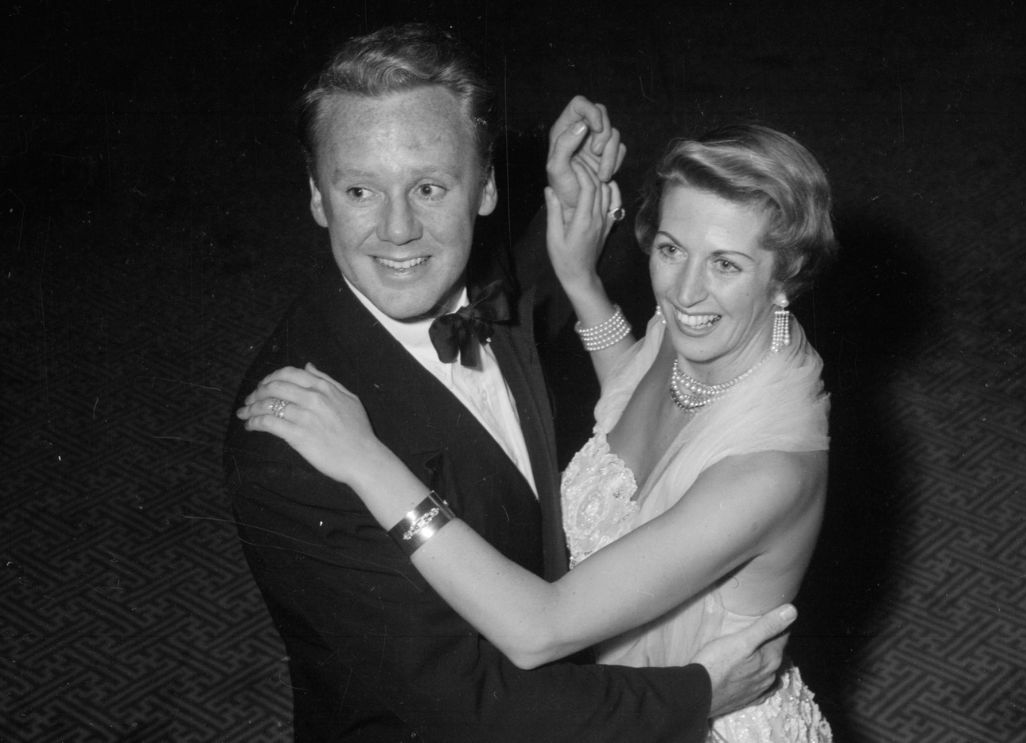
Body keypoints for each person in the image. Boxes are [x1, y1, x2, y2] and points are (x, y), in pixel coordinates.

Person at [223, 23, 794, 743]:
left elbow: (521, 285)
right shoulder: (290, 444)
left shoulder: (475, 275)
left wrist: (567, 206)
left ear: (486, 187)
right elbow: (471, 705)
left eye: (430, 186)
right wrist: (695, 695)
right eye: (360, 189)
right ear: (316, 197)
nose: (398, 231)